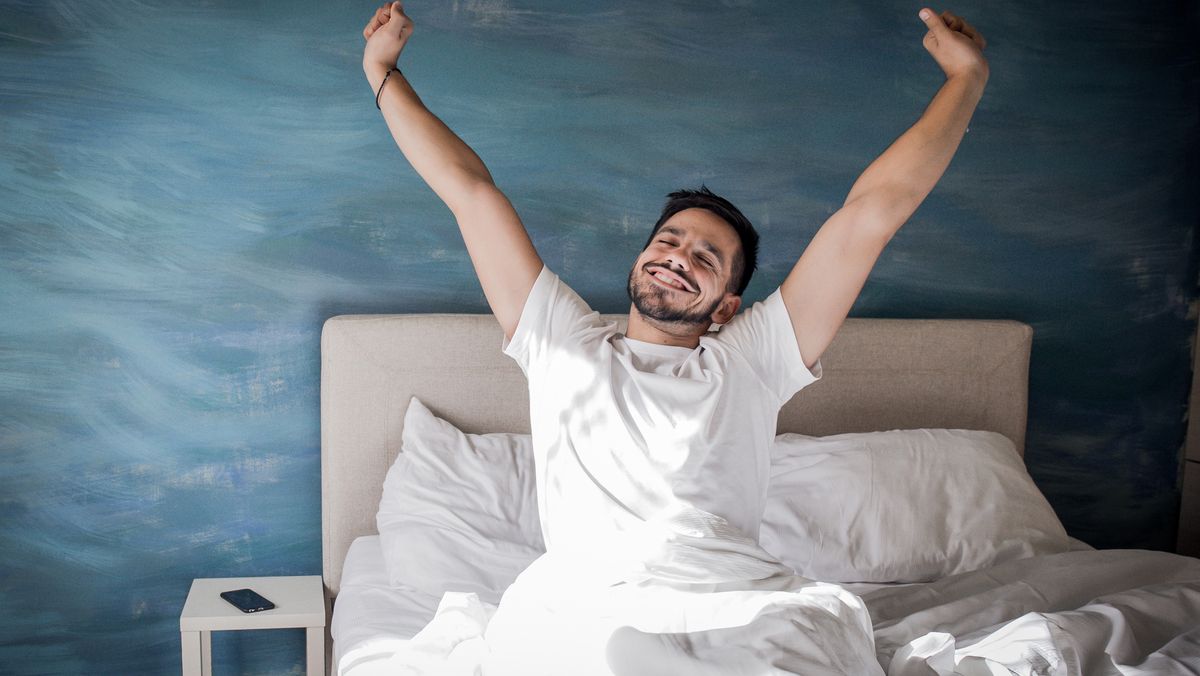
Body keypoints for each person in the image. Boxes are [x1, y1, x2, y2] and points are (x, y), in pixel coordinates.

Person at [362, 4, 988, 673]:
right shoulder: (563, 342)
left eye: (706, 258)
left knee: (797, 638)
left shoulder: (749, 361)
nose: (679, 256)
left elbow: (869, 216)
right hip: (591, 594)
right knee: (571, 642)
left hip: (733, 597)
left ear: (726, 307)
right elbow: (471, 192)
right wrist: (382, 72)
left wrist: (966, 79)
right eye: (668, 240)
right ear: (640, 258)